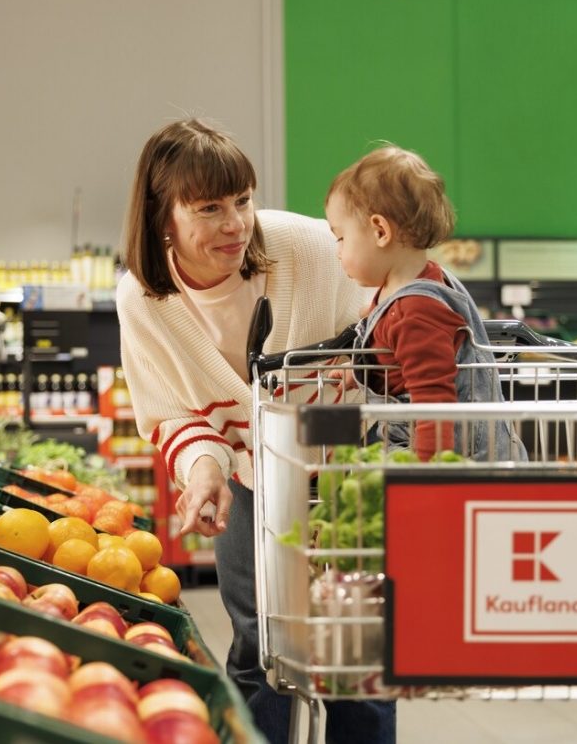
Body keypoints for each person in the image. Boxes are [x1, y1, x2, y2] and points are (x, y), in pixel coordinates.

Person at [117, 118, 396, 744]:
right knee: (258, 647)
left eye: (242, 200)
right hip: (252, 480)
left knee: (354, 657)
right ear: (163, 217)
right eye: (209, 209)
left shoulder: (311, 248)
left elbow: (403, 303)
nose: (236, 224)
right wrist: (204, 470)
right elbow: (172, 412)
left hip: (348, 472)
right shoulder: (143, 301)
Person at [325, 144, 525, 461]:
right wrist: (362, 370)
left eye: (340, 238)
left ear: (380, 231)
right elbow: (401, 360)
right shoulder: (414, 286)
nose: (337, 251)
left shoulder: (416, 311)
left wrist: (426, 476)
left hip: (455, 461)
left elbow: (434, 404)